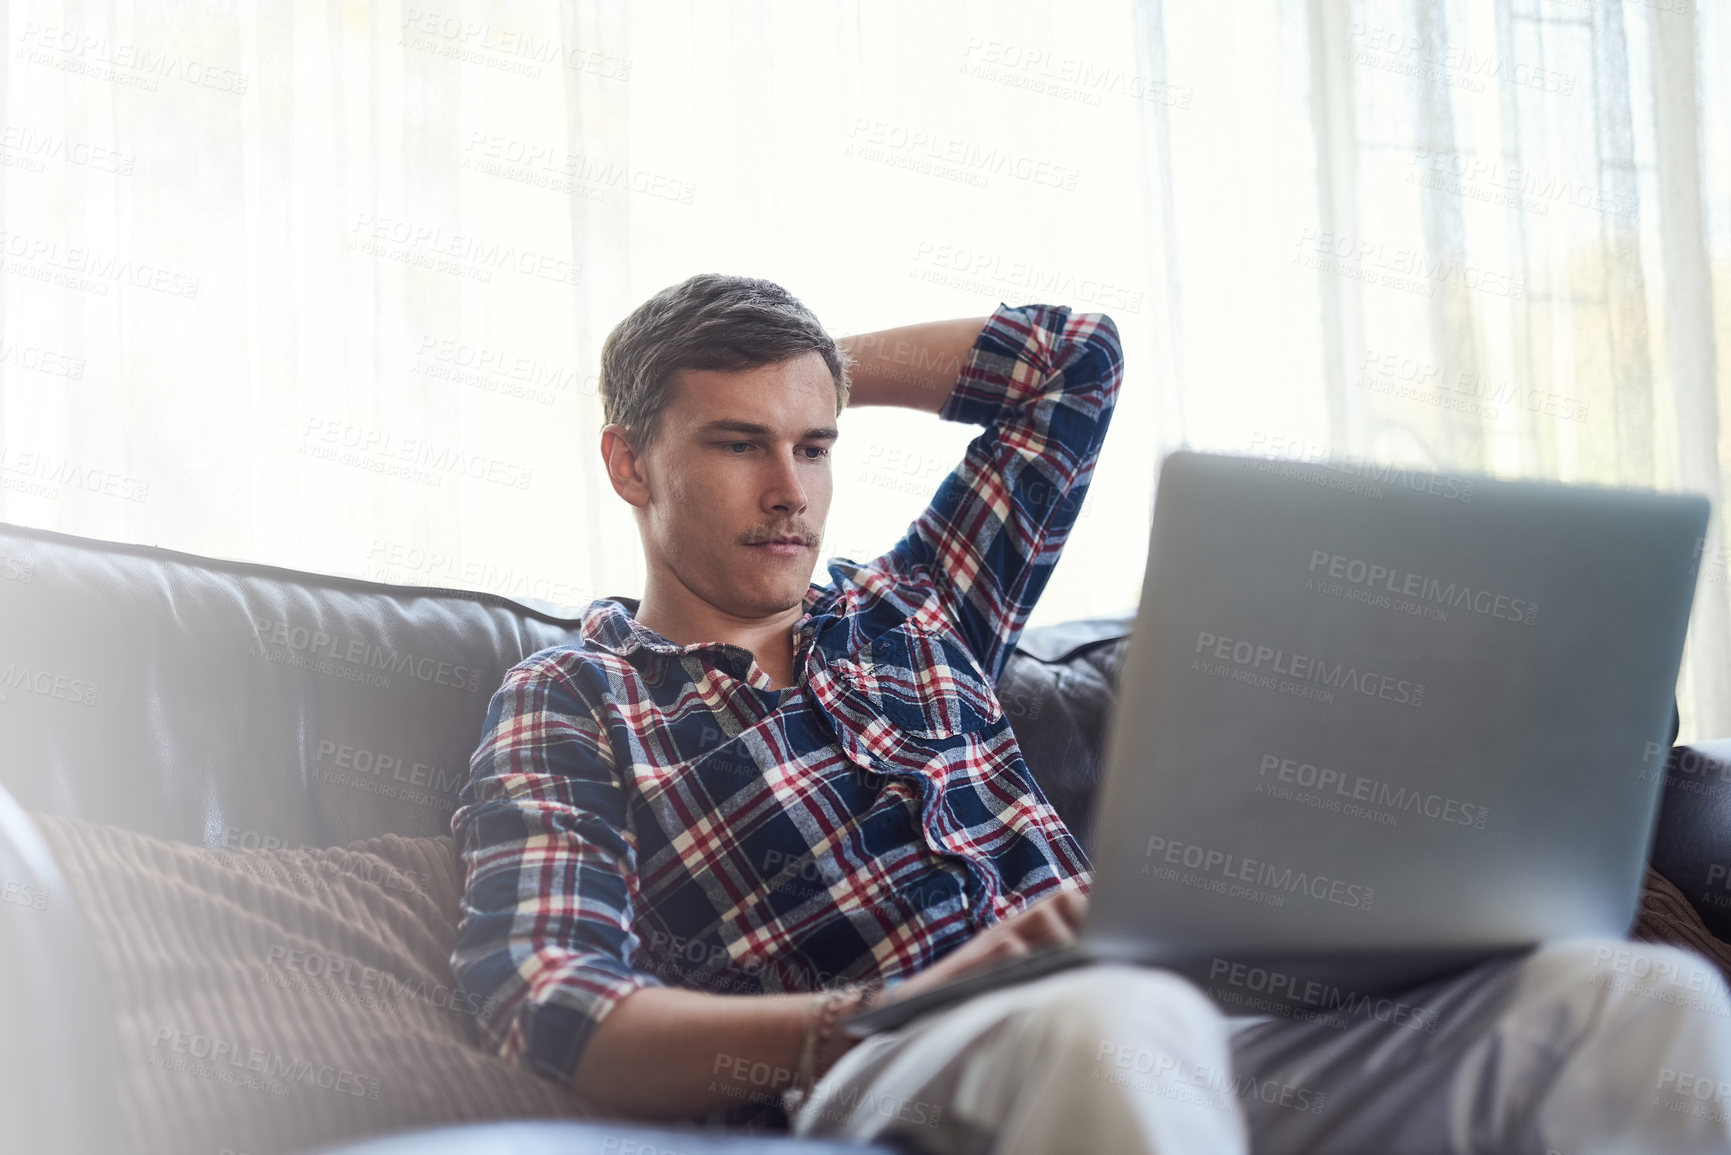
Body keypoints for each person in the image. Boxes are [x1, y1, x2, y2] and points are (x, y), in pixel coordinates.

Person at [448, 273, 1731, 1154]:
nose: (792, 490)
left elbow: (1071, 363)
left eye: (817, 443)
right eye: (739, 442)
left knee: (1637, 1002)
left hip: (1193, 1028)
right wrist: (878, 1011)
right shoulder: (577, 694)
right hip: (899, 1064)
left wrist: (815, 366)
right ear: (628, 462)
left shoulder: (911, 612)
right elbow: (556, 1002)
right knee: (1121, 1021)